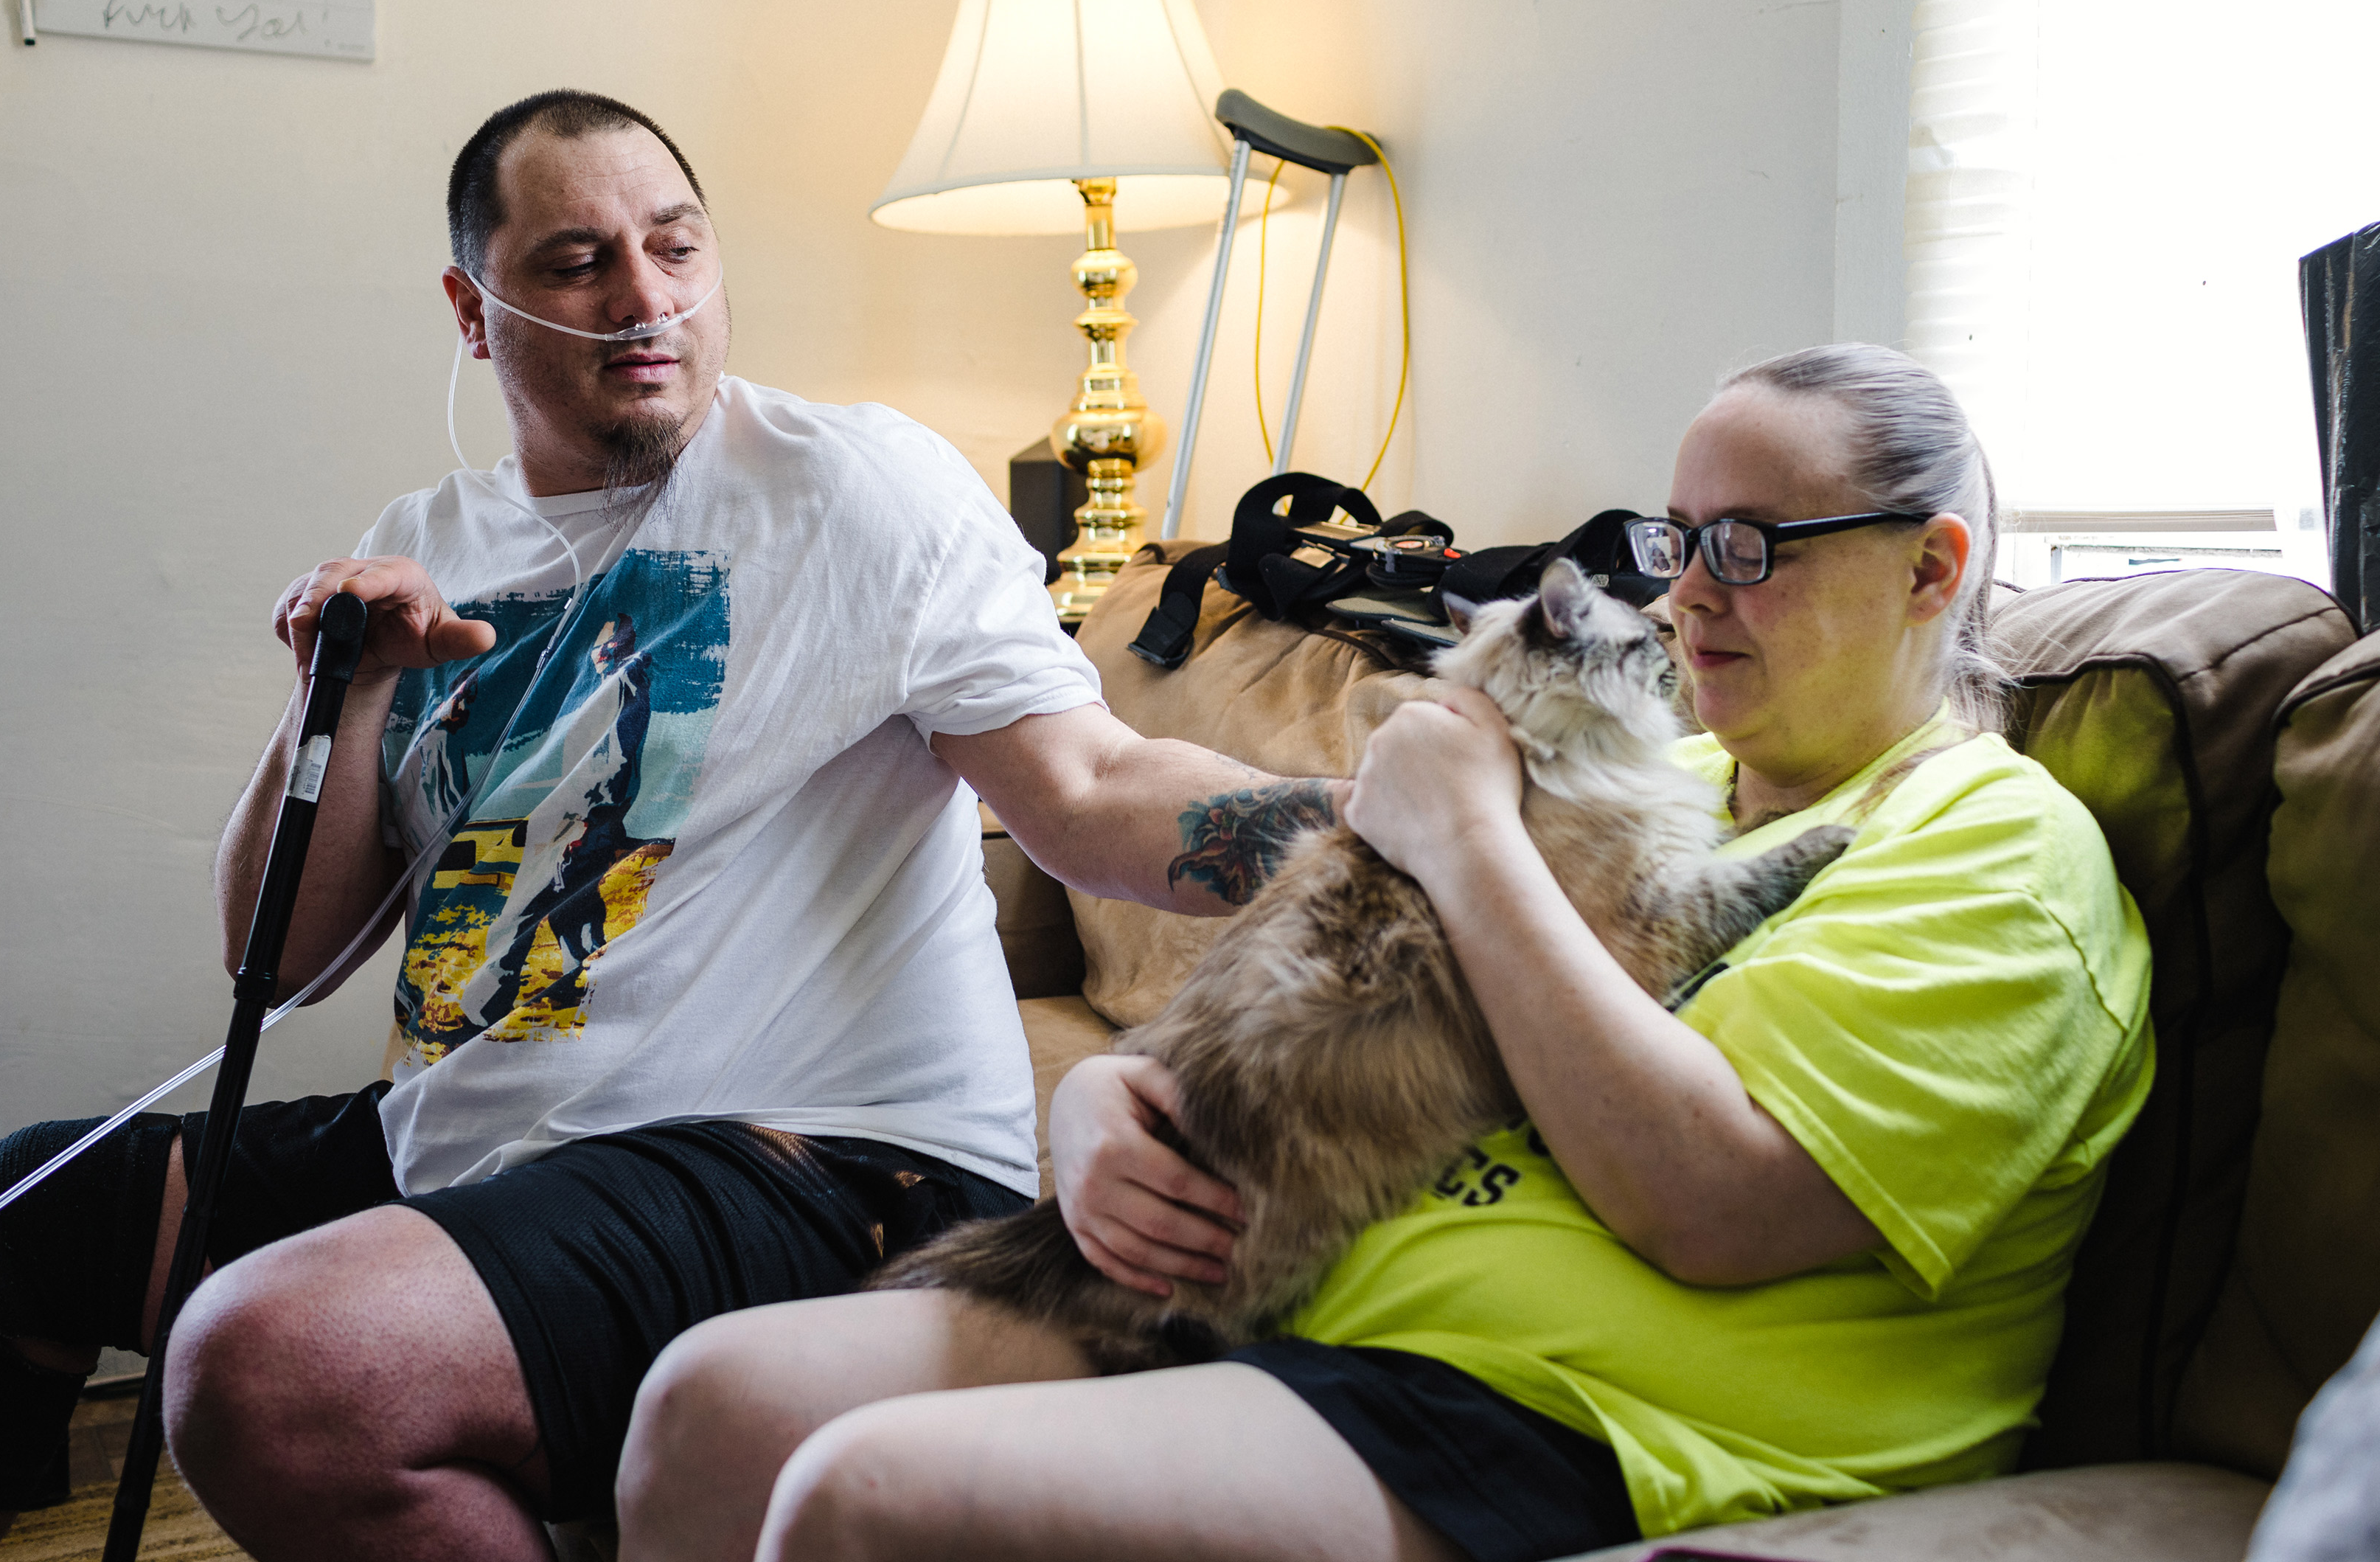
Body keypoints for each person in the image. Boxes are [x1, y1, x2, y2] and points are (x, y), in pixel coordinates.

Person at [0, 91, 1339, 1562]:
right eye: (577, 261)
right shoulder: (425, 544)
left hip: (819, 1162)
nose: (645, 298)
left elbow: (1090, 790)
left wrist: (1366, 828)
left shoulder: (859, 491)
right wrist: (339, 694)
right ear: (474, 312)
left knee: (268, 1365)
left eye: (675, 246)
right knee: (24, 1209)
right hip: (482, 1145)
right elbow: (281, 960)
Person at [613, 342, 2158, 1562]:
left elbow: (1710, 1203)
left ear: (1931, 568)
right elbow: (1333, 975)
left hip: (1582, 1416)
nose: (1688, 593)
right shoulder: (1665, 779)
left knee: (867, 1497)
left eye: (1753, 546)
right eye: (1679, 538)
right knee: (708, 1406)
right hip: (1287, 1297)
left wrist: (1471, 832)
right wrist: (1111, 1105)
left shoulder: (1996, 854)